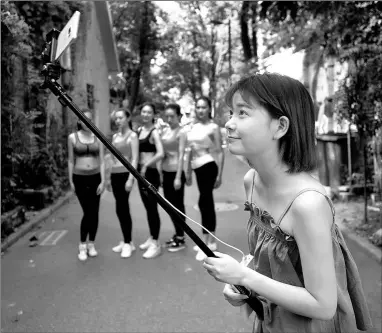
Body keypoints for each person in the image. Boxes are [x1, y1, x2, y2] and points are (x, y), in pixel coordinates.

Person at [202, 73, 372, 333]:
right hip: (272, 322)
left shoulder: (308, 204)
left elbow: (323, 306)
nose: (229, 124)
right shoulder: (252, 180)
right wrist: (244, 284)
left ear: (280, 127)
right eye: (230, 113)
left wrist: (243, 276)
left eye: (242, 113)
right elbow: (265, 260)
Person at [185, 96, 225, 261]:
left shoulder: (213, 127)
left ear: (209, 109)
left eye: (203, 107)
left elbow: (220, 152)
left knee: (205, 202)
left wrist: (220, 175)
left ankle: (208, 243)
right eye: (198, 107)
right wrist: (187, 171)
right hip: (196, 167)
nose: (200, 110)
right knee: (204, 202)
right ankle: (210, 240)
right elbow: (190, 150)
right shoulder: (193, 126)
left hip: (208, 166)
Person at [68, 109, 105, 261]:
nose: (86, 122)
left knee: (94, 213)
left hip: (95, 178)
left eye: (89, 119)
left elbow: (102, 160)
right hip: (80, 178)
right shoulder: (72, 137)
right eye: (83, 119)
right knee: (88, 212)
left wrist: (103, 181)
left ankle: (91, 243)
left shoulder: (98, 136)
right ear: (79, 121)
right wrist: (70, 181)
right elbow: (70, 160)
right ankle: (82, 245)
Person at [106, 109, 139, 258]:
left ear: (127, 118)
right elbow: (112, 158)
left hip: (126, 174)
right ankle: (127, 241)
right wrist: (107, 177)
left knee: (123, 207)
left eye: (121, 118)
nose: (118, 120)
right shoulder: (115, 137)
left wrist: (131, 178)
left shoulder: (133, 136)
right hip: (115, 175)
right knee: (119, 208)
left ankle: (128, 242)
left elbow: (135, 158)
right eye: (116, 118)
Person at [137, 102, 164, 259]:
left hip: (151, 174)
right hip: (140, 174)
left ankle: (156, 244)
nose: (145, 114)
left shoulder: (154, 132)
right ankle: (152, 237)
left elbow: (160, 153)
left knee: (153, 208)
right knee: (148, 208)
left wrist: (146, 165)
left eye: (149, 112)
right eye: (143, 111)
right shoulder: (139, 130)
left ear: (153, 115)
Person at [159, 103, 187, 252]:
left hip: (176, 172)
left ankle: (181, 238)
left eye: (172, 116)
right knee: (169, 206)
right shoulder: (164, 131)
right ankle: (177, 234)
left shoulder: (181, 132)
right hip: (165, 172)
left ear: (179, 116)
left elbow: (182, 154)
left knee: (178, 206)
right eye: (167, 116)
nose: (169, 119)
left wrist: (178, 177)